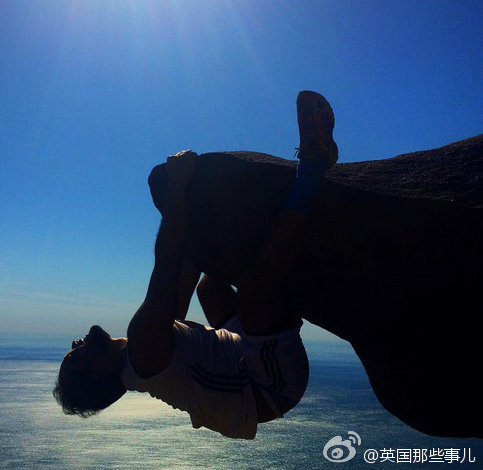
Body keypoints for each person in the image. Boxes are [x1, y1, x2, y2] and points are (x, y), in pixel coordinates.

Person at [53, 90, 338, 439]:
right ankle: (314, 165)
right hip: (271, 385)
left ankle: (275, 273)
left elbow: (183, 275)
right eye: (74, 355)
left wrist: (199, 236)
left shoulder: (140, 354)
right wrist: (177, 186)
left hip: (239, 354)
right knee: (253, 291)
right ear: (98, 369)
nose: (74, 343)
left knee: (210, 286)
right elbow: (168, 262)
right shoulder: (143, 348)